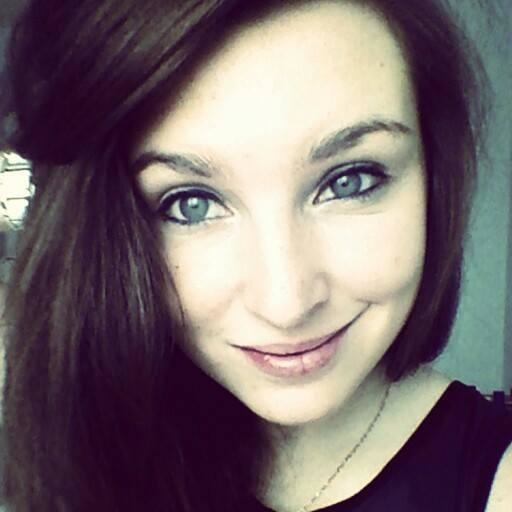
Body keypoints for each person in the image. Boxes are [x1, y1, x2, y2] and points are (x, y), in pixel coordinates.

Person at [0, 1, 510, 511]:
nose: (286, 305)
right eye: (191, 204)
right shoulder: (67, 454)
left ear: (433, 177)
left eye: (349, 181)